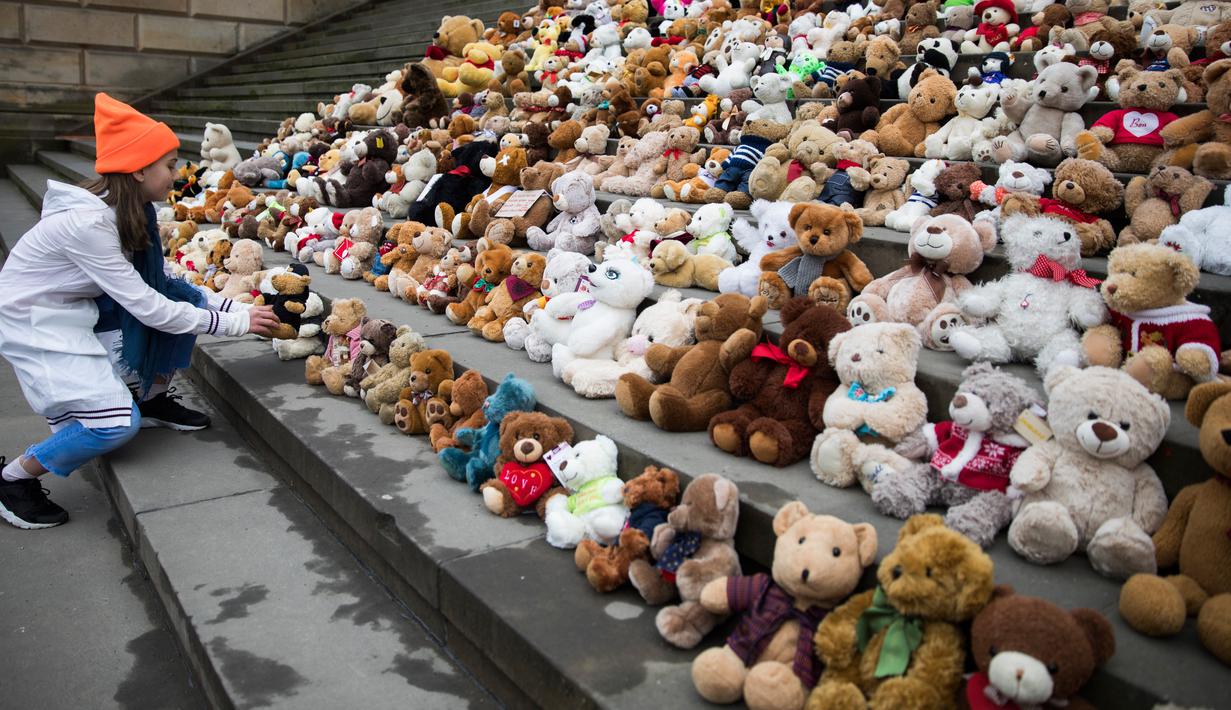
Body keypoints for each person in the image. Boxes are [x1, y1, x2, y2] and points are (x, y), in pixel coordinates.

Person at [0, 93, 281, 530]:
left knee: (180, 303)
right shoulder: (90, 224)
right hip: (35, 321)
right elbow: (149, 306)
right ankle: (15, 478)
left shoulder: (132, 210)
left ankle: (151, 399)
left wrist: (229, 305)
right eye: (170, 164)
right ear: (138, 170)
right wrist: (234, 322)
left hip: (77, 305)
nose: (177, 173)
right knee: (114, 425)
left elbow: (162, 282)